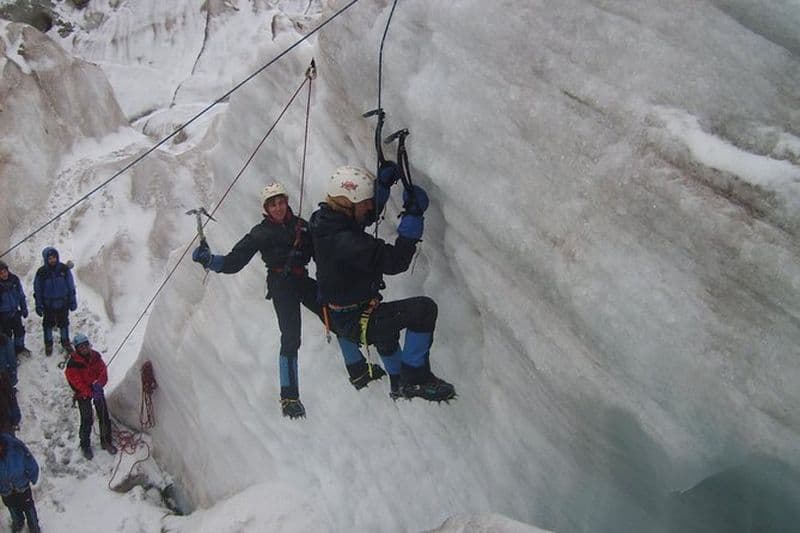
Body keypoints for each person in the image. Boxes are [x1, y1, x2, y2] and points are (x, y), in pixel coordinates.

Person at [192, 182, 386, 420]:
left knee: (335, 314)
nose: (278, 208)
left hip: (301, 280)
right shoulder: (260, 233)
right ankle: (289, 397)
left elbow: (324, 250)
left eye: (281, 202)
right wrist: (210, 261)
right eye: (273, 204)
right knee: (291, 336)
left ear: (286, 201)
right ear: (266, 208)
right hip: (281, 284)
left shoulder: (302, 227)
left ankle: (357, 371)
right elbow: (235, 261)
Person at [309, 166, 455, 402]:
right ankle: (415, 379)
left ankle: (397, 384)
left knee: (387, 336)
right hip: (356, 321)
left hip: (348, 315)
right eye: (366, 201)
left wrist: (382, 188)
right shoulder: (346, 242)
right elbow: (396, 261)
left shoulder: (323, 221)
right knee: (423, 310)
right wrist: (413, 216)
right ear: (349, 203)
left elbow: (357, 220)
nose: (370, 206)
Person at [64, 333, 117, 459]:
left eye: (85, 346)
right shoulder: (73, 364)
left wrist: (99, 383)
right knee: (86, 418)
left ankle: (106, 441)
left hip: (95, 388)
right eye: (81, 347)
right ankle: (85, 445)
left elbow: (102, 371)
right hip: (83, 393)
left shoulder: (95, 357)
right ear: (77, 349)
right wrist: (89, 391)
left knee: (103, 415)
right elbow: (75, 382)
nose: (84, 349)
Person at [33, 247, 77, 356]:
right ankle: (48, 343)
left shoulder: (63, 269)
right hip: (48, 304)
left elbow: (71, 286)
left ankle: (65, 341)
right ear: (46, 259)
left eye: (54, 258)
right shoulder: (41, 272)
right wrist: (38, 305)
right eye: (50, 258)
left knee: (64, 323)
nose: (52, 260)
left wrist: (72, 301)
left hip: (63, 302)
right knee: (48, 324)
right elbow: (37, 290)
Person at [0, 432, 40, 533]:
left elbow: (29, 460)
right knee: (12, 507)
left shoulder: (16, 447)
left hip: (22, 485)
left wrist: (33, 475)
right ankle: (18, 521)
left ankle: (34, 525)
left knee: (28, 507)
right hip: (5, 489)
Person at [0, 261, 30, 358]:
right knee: (7, 336)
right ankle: (10, 354)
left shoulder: (14, 280)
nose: (3, 274)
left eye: (4, 271)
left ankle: (19, 348)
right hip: (3, 315)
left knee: (20, 332)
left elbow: (21, 295)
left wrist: (24, 308)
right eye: (0, 273)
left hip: (15, 312)